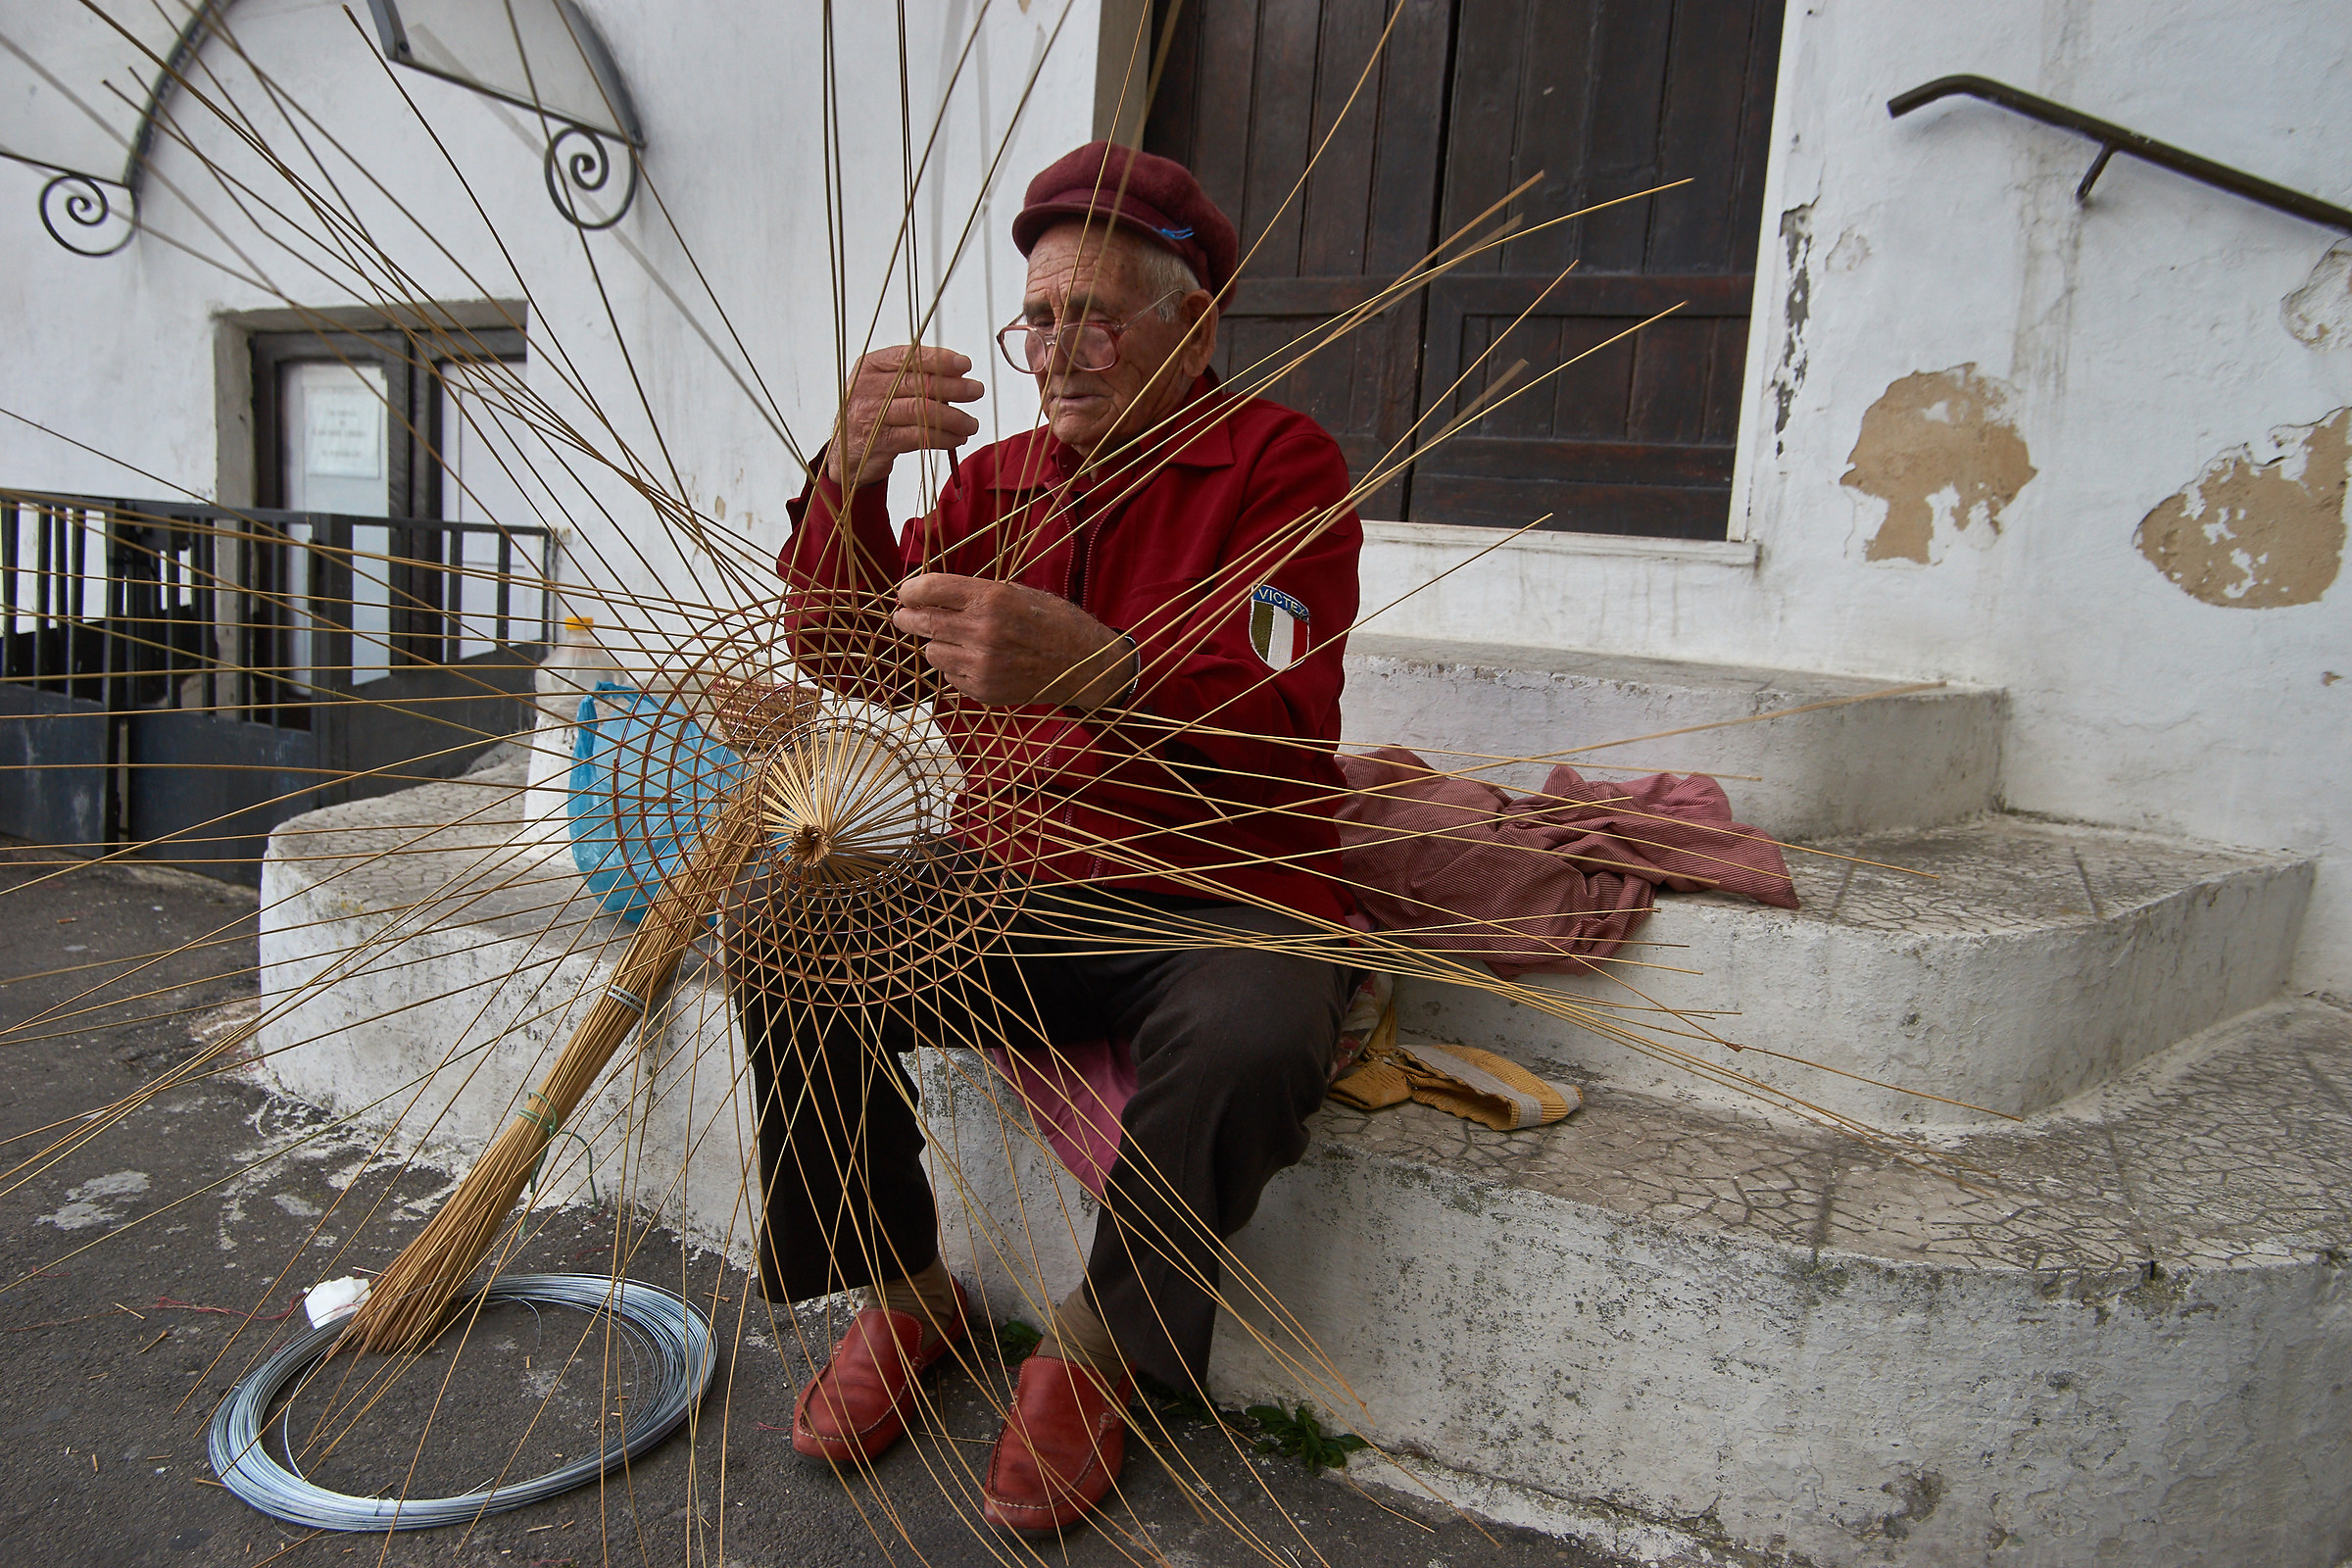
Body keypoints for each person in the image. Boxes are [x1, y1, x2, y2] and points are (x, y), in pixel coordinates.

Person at [740, 140, 1362, 1534]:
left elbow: (1288, 694)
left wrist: (1107, 673)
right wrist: (846, 476)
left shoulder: (1278, 465)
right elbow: (856, 652)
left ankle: (1097, 1346)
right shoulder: (994, 481)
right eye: (1037, 316)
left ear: (1193, 323)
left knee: (1258, 1036)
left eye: (1097, 314)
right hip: (1013, 877)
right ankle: (904, 1288)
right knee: (785, 930)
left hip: (1218, 884)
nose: (1056, 351)